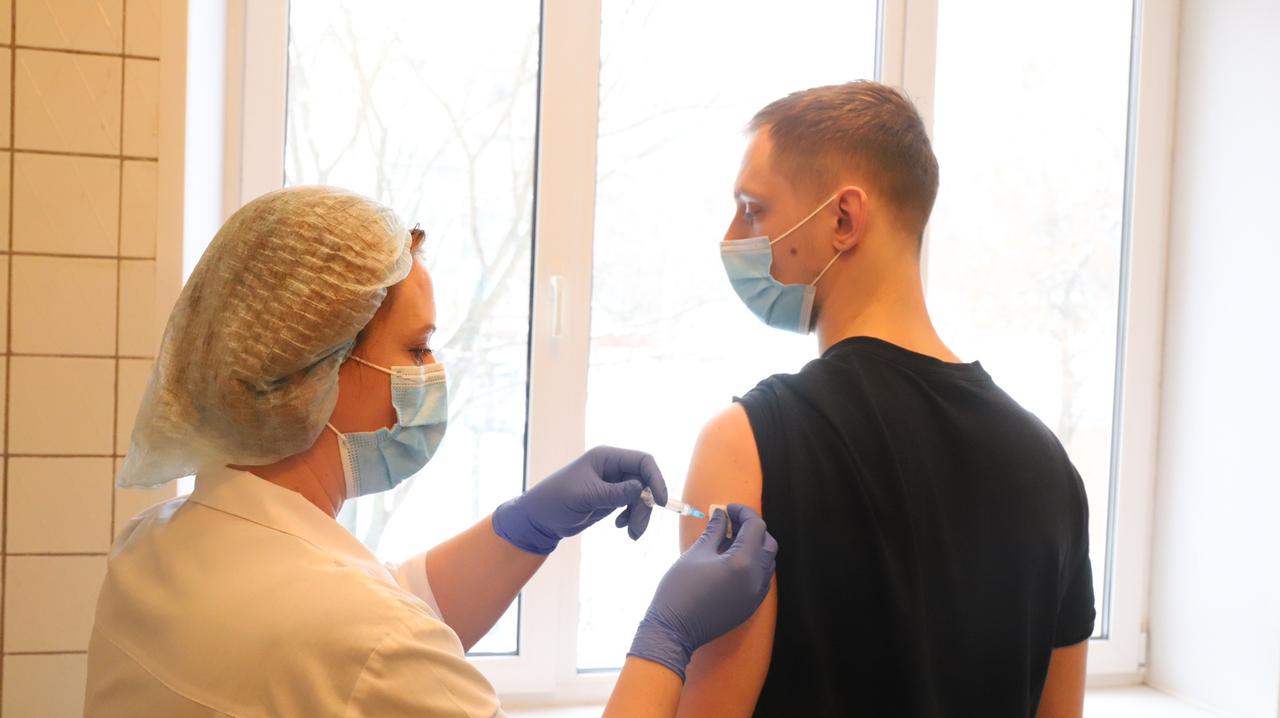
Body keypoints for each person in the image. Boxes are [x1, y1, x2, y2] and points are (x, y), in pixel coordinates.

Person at [84, 187, 777, 717]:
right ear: (316, 371)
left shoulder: (153, 548)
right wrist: (667, 637)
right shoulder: (361, 637)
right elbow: (379, 642)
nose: (432, 372)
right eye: (416, 349)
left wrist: (527, 528)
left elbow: (389, 609)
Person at [673, 82, 1095, 717]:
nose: (732, 236)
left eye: (753, 210)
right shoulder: (1051, 468)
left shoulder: (745, 447)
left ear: (844, 219)